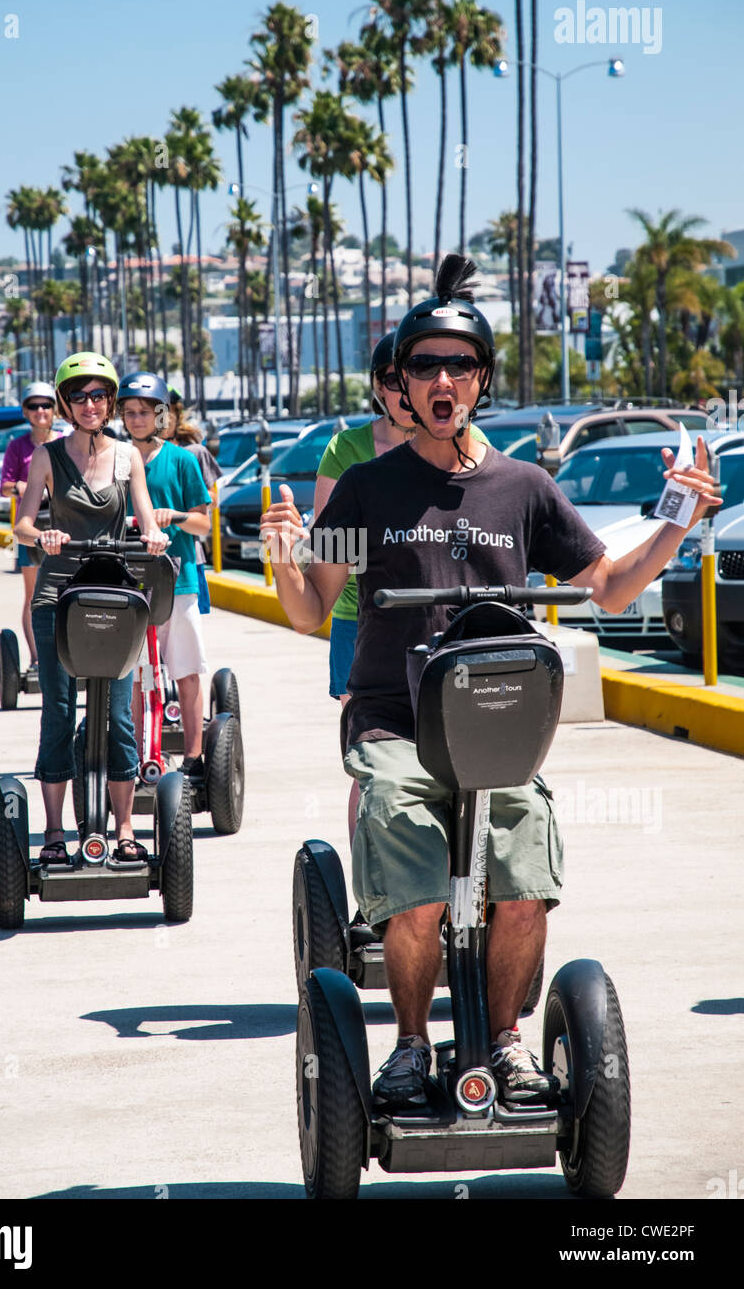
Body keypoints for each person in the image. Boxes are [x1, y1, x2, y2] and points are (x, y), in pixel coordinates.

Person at [262, 253, 721, 1112]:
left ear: (479, 380)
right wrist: (284, 555)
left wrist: (678, 518)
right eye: (424, 366)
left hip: (499, 726)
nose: (442, 380)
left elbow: (608, 585)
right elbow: (306, 612)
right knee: (417, 894)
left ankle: (508, 1042)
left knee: (522, 895)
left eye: (459, 366)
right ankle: (405, 1046)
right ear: (399, 383)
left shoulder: (524, 486)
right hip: (394, 719)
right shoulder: (363, 486)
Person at [314, 332, 488, 841]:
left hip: (444, 619)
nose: (401, 389)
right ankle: (370, 870)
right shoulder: (349, 451)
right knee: (370, 757)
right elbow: (328, 533)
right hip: (362, 616)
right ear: (381, 387)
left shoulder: (464, 446)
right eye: (393, 379)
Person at [13, 353, 167, 865]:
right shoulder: (46, 458)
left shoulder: (128, 458)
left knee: (119, 715)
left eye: (100, 395)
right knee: (58, 713)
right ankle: (55, 832)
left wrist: (153, 534)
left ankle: (124, 829)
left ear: (111, 402)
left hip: (113, 596)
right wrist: (45, 534)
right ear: (64, 403)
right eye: (79, 396)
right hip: (58, 597)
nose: (90, 404)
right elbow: (22, 526)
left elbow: (145, 516)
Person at [116, 372, 213, 776]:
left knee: (187, 672)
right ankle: (141, 756)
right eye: (129, 413)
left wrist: (174, 517)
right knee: (137, 677)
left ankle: (193, 757)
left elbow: (204, 525)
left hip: (180, 580)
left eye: (144, 412)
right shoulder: (115, 460)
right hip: (131, 580)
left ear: (160, 415)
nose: (136, 420)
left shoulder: (182, 460)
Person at [0, 382, 60, 670]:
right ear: (25, 411)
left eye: (46, 405)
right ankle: (38, 659)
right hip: (30, 530)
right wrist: (25, 487)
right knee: (35, 595)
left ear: (55, 410)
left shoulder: (64, 442)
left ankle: (67, 654)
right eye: (34, 406)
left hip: (62, 529)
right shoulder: (17, 446)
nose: (40, 411)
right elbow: (5, 486)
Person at [160, 390, 222, 614]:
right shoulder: (138, 454)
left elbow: (213, 497)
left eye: (168, 410)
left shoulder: (194, 452)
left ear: (177, 414)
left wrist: (185, 505)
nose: (163, 417)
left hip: (188, 553)